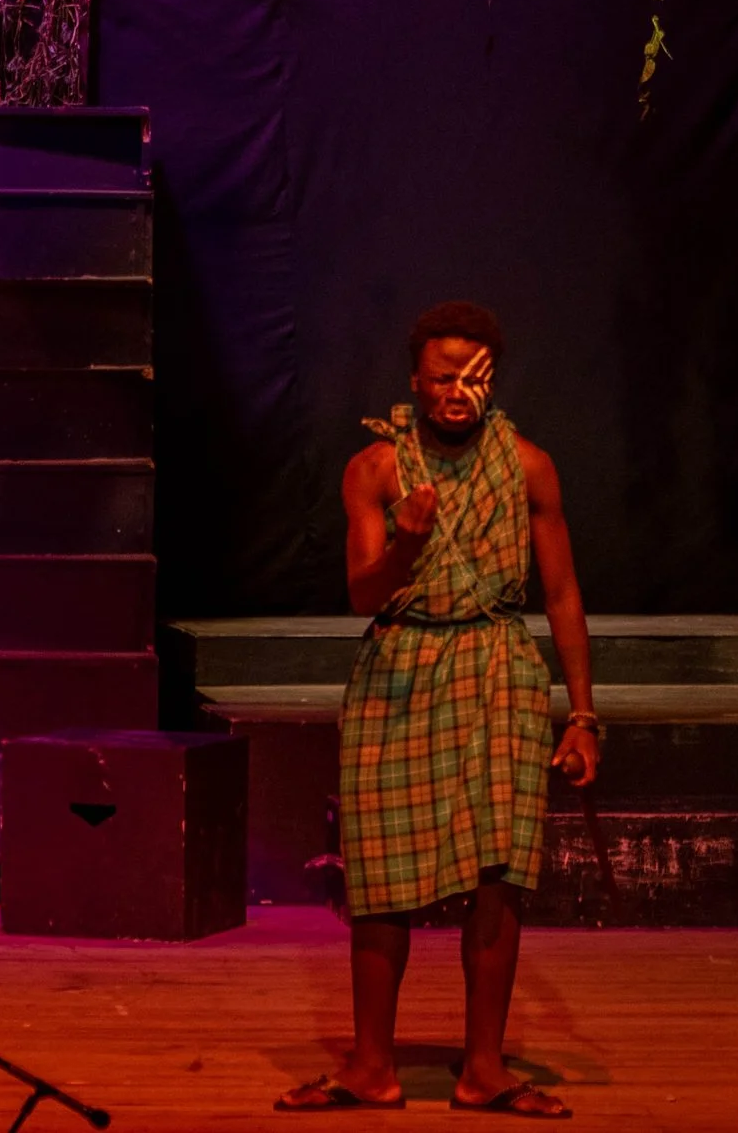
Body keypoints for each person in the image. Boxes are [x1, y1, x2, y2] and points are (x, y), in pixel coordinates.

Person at [277, 302, 599, 1119]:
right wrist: (409, 543)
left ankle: (483, 1070)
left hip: (496, 665)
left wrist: (584, 715)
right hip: (401, 667)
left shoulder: (529, 466)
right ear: (415, 380)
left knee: (501, 875)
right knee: (380, 878)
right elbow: (361, 595)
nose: (458, 391)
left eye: (474, 376)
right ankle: (370, 1068)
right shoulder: (376, 471)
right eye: (443, 376)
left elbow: (561, 594)